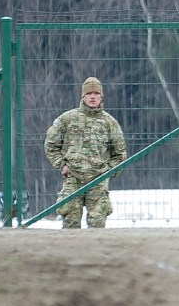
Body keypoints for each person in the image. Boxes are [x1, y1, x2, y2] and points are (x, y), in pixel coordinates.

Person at [44, 77, 127, 229]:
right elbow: (50, 145)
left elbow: (120, 154)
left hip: (98, 179)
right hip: (73, 177)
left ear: (101, 96)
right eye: (89, 93)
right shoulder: (67, 119)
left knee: (97, 222)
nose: (93, 96)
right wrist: (62, 165)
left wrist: (109, 171)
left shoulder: (110, 123)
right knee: (70, 221)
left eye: (96, 93)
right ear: (83, 96)